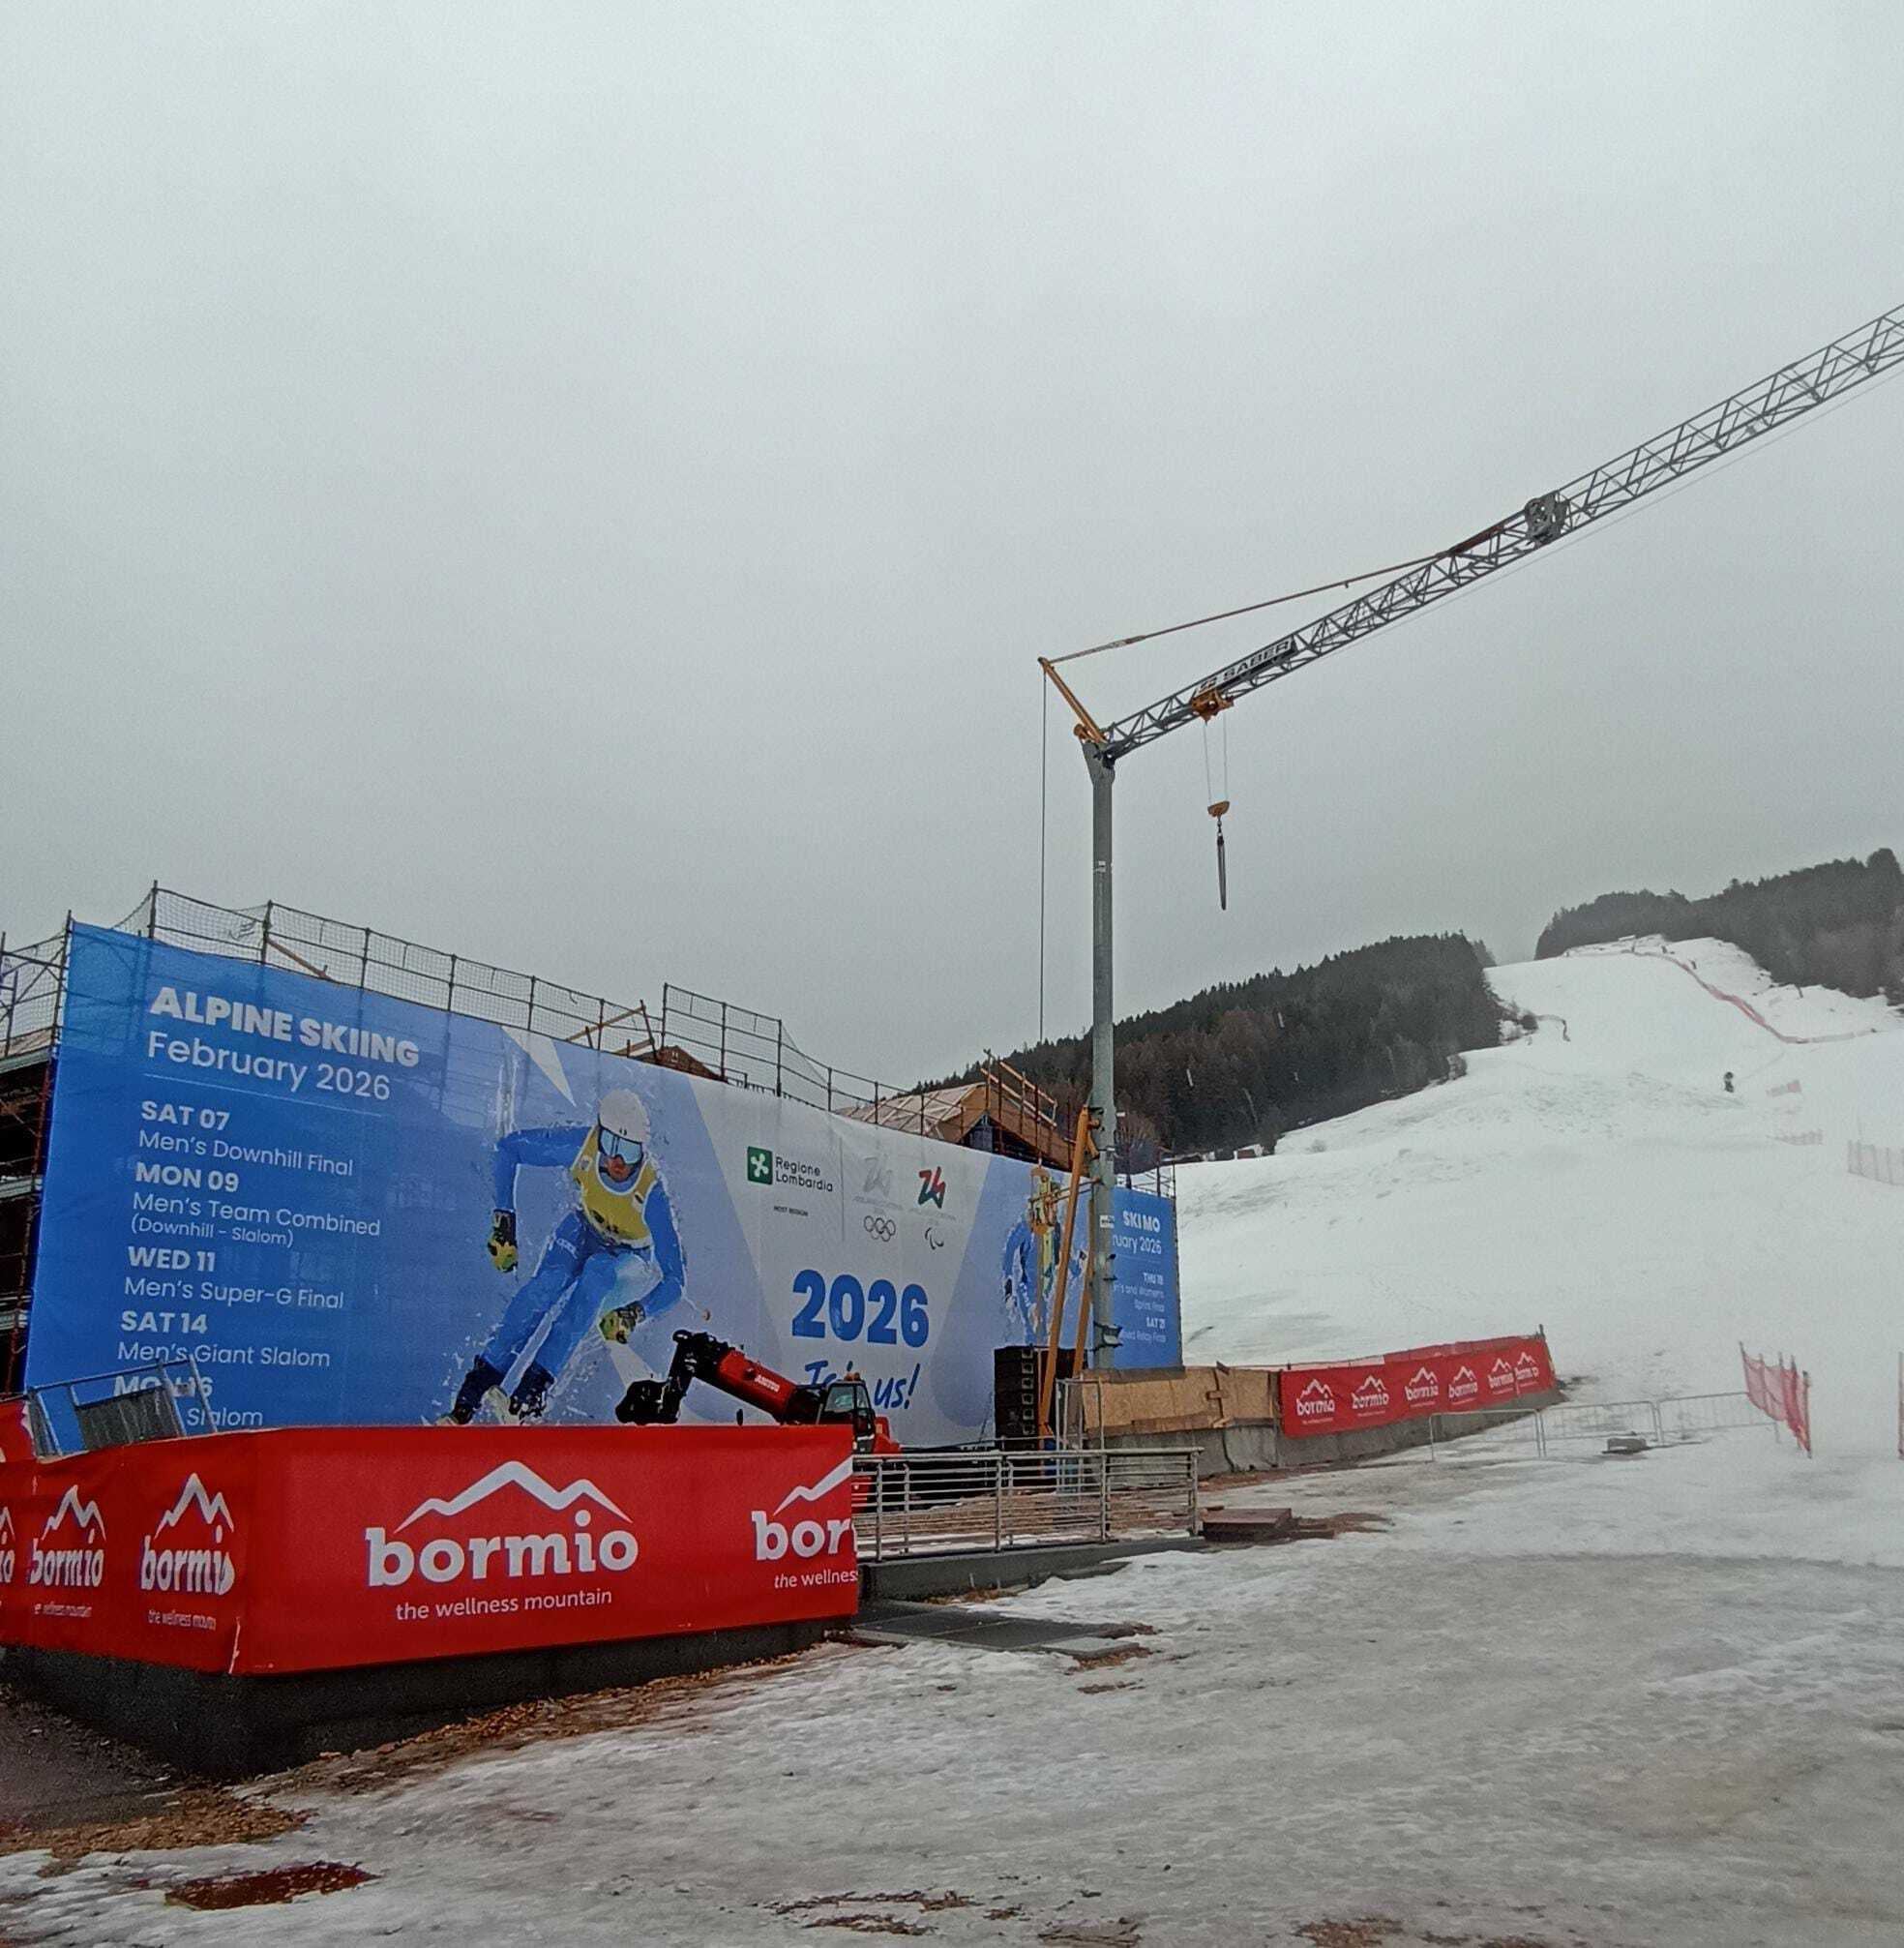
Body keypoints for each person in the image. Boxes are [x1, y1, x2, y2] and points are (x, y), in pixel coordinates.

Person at [446, 1087, 687, 1423]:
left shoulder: (651, 1192)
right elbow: (509, 1149)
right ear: (599, 1134)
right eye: (612, 1145)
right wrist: (504, 1221)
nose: (617, 1161)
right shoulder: (582, 1146)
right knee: (544, 1287)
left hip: (629, 1259)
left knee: (596, 1274)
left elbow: (676, 1280)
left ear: (641, 1151)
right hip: (585, 1228)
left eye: (629, 1152)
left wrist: (635, 1312)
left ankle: (534, 1387)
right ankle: (481, 1380)